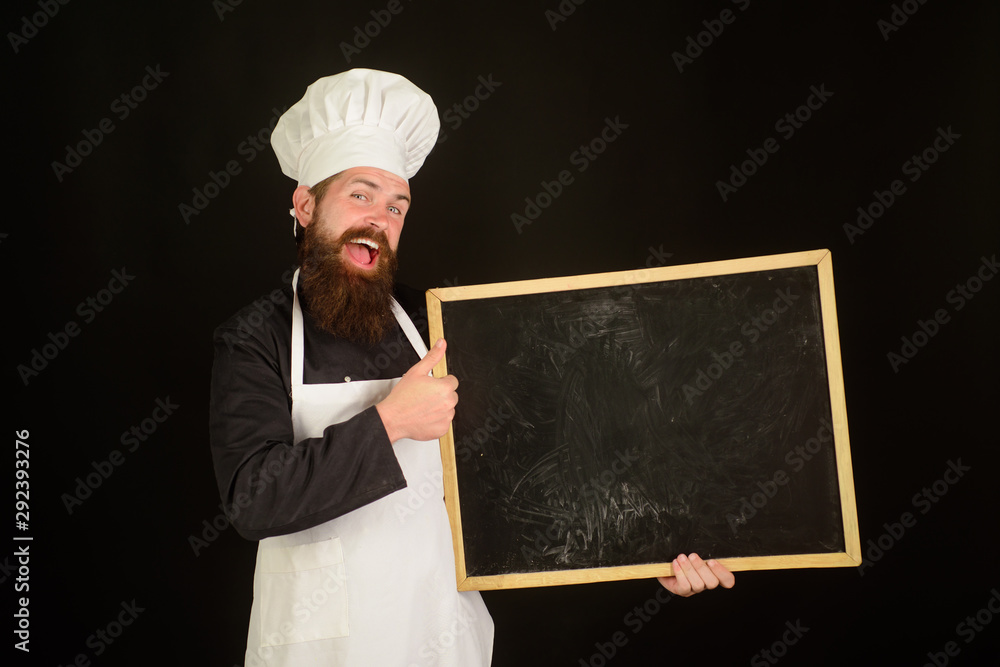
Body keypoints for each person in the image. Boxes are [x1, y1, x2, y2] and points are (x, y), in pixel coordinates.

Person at [209, 68, 732, 667]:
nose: (380, 219)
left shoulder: (438, 322)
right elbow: (254, 499)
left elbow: (540, 468)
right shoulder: (255, 338)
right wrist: (389, 422)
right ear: (305, 205)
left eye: (397, 205)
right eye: (360, 195)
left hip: (442, 638)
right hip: (319, 649)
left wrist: (652, 547)